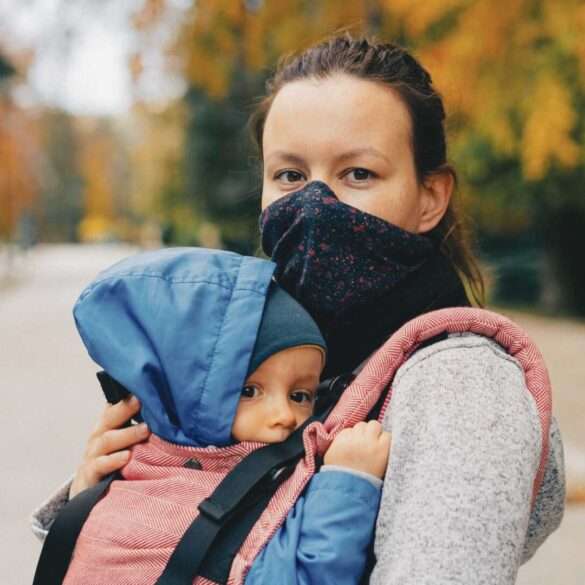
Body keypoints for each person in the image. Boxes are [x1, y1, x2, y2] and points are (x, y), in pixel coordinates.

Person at [33, 34, 565, 584]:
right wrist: (109, 493)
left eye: (358, 173)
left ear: (430, 196)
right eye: (289, 175)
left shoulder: (461, 384)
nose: (314, 204)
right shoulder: (266, 346)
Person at [60, 247, 390, 585]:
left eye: (299, 395)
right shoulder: (147, 504)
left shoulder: (263, 470)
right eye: (249, 391)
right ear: (183, 393)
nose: (284, 416)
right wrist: (347, 483)